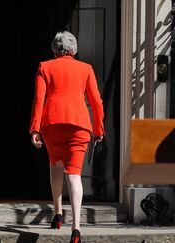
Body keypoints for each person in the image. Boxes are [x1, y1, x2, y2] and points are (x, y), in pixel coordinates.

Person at [29, 30, 105, 243]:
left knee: (55, 165)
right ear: (74, 49)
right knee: (74, 174)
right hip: (79, 125)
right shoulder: (86, 69)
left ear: (55, 49)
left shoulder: (45, 67)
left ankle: (57, 214)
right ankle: (76, 229)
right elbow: (96, 101)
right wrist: (98, 129)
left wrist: (35, 129)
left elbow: (38, 99)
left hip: (52, 124)